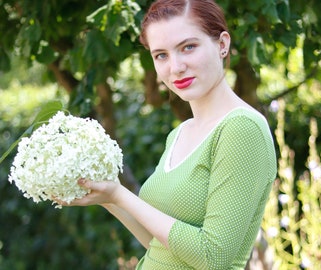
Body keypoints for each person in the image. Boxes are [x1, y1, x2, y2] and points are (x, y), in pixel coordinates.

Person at [61, 0, 277, 269]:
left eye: (188, 47)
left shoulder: (242, 128)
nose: (175, 67)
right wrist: (108, 200)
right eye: (161, 55)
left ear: (222, 44)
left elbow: (213, 257)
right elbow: (159, 244)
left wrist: (120, 195)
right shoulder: (180, 133)